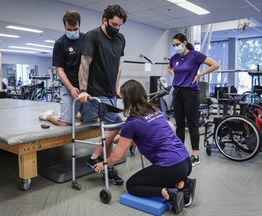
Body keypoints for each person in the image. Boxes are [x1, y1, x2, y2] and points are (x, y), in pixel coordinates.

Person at [94, 80, 196, 214]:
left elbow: (118, 156)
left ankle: (168, 194)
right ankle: (184, 184)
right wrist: (122, 140)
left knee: (132, 185)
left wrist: (104, 164)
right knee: (161, 175)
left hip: (171, 167)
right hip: (186, 161)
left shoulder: (132, 122)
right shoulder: (155, 110)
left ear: (127, 100)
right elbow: (150, 133)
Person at [77, 4, 128, 185]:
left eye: (119, 25)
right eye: (114, 24)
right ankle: (95, 158)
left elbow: (118, 66)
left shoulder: (121, 38)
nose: (117, 28)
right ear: (104, 20)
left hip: (110, 93)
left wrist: (116, 88)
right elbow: (85, 64)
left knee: (112, 129)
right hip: (95, 92)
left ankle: (97, 159)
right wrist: (83, 91)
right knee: (117, 124)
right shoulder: (93, 36)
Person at [167, 33, 220, 167]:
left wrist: (200, 74)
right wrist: (174, 74)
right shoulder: (175, 58)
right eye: (174, 45)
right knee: (179, 124)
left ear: (184, 43)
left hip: (191, 93)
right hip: (177, 92)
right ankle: (180, 152)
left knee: (192, 124)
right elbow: (169, 67)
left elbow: (215, 65)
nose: (176, 47)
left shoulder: (195, 55)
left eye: (177, 44)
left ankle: (195, 154)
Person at [38, 10, 84, 126]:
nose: (72, 32)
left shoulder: (86, 39)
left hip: (85, 88)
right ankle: (49, 115)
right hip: (69, 88)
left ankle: (74, 114)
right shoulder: (60, 43)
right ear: (64, 26)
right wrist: (71, 88)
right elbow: (60, 70)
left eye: (75, 29)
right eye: (69, 29)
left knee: (90, 119)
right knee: (65, 123)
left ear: (79, 25)